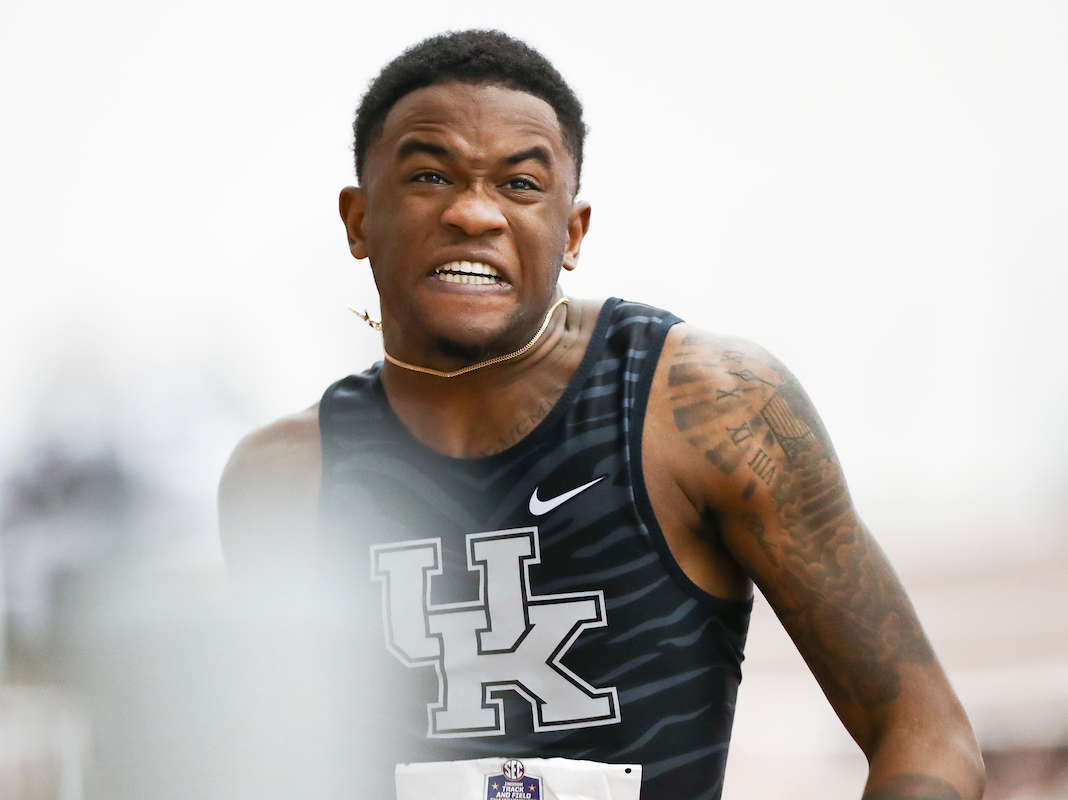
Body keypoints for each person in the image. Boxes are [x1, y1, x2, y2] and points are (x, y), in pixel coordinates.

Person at [219, 29, 984, 800]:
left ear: (573, 232)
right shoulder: (285, 479)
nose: (474, 213)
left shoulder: (706, 405)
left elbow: (927, 734)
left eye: (520, 184)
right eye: (429, 175)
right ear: (358, 219)